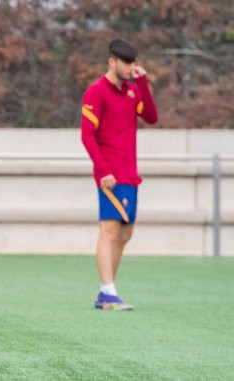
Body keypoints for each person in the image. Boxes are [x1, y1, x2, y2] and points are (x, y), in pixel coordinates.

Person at [81, 39, 158, 311]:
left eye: (134, 63)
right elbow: (87, 136)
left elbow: (151, 116)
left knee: (125, 233)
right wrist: (103, 170)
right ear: (112, 61)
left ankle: (106, 291)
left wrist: (144, 83)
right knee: (110, 229)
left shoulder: (132, 91)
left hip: (130, 174)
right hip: (109, 175)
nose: (131, 68)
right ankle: (108, 291)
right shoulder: (95, 92)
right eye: (127, 63)